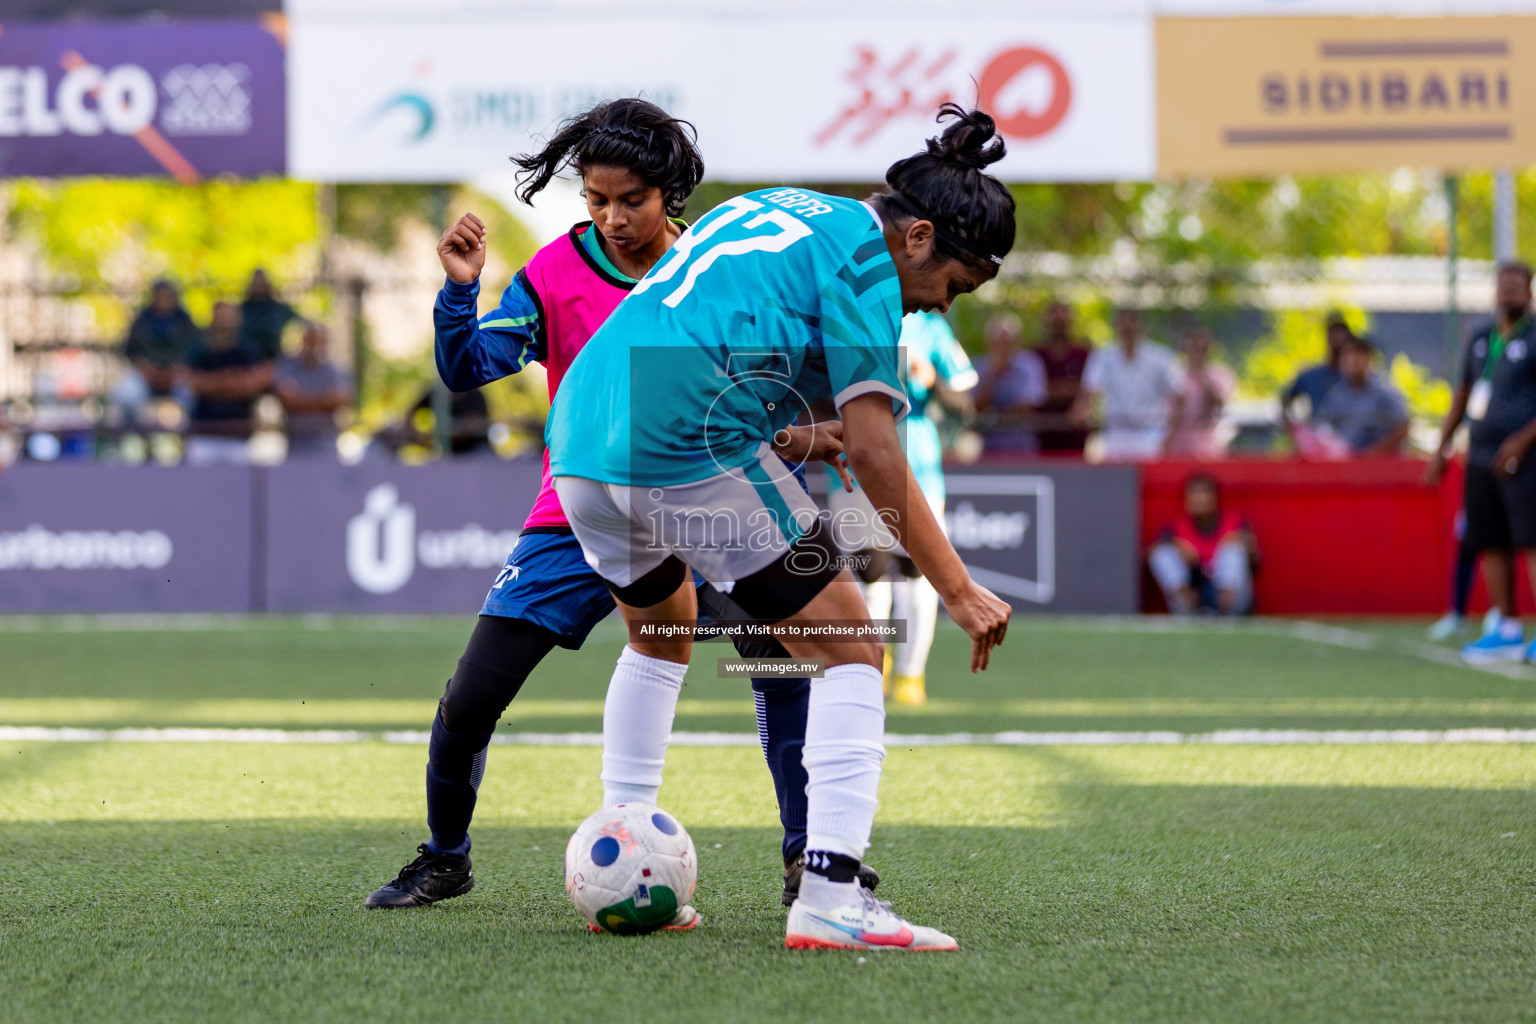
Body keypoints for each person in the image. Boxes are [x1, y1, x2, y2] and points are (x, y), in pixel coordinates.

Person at [363, 99, 866, 918]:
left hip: (708, 496)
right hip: (582, 509)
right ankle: (445, 857)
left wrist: (805, 432)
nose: (612, 217)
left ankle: (803, 855)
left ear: (667, 191)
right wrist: (460, 294)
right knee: (471, 698)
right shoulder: (556, 273)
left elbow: (748, 397)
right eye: (595, 200)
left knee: (781, 657)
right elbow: (469, 369)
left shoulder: (717, 265)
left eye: (629, 199)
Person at [546, 104, 1015, 952]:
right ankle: (831, 892)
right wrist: (958, 587)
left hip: (580, 437)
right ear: (916, 239)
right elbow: (877, 456)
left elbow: (700, 336)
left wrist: (793, 434)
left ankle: (626, 848)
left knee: (662, 632)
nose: (940, 309)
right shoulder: (870, 269)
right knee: (852, 647)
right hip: (678, 445)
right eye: (954, 286)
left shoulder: (784, 207)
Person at [829, 310, 978, 707]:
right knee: (868, 570)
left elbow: (965, 403)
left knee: (916, 571)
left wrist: (930, 378)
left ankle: (911, 674)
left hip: (918, 467)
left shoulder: (930, 327)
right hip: (854, 465)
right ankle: (871, 665)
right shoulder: (845, 316)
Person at [1429, 262, 1535, 663]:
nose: (1509, 293)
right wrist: (1442, 447)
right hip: (1480, 455)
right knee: (1490, 540)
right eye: (1503, 285)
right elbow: (1463, 395)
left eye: (1517, 286)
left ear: (1529, 292)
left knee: (1531, 540)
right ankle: (1506, 628)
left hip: (1525, 456)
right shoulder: (1479, 336)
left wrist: (1523, 440)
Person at [1072, 308, 1182, 461]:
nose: (1128, 327)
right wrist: (1082, 409)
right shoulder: (1103, 356)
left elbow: (1179, 396)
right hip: (1115, 434)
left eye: (1133, 322)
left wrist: (1170, 435)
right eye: (1123, 323)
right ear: (1115, 327)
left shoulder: (1160, 356)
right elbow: (1090, 392)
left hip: (1150, 434)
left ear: (1143, 326)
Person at [1148, 473, 1258, 615]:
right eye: (1193, 494)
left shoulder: (1234, 521)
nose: (1199, 499)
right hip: (1195, 592)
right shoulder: (1177, 525)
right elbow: (1150, 553)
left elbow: (1256, 563)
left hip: (1230, 596)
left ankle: (1227, 611)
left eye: (1204, 493)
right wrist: (1176, 547)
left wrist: (1242, 544)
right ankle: (1186, 609)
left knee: (1233, 552)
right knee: (1163, 554)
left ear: (1214, 497)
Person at [184, 302, 272, 465]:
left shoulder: (249, 350)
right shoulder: (198, 350)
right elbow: (192, 383)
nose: (224, 322)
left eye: (229, 317)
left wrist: (213, 383)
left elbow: (254, 383)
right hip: (204, 434)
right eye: (221, 317)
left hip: (239, 435)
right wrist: (231, 381)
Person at [1311, 335, 1409, 455]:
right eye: (1349, 354)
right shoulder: (1336, 395)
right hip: (1345, 463)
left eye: (1360, 354)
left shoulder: (1385, 393)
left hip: (1378, 464)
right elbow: (1324, 428)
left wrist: (1375, 452)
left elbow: (1404, 427)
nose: (1354, 359)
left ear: (1370, 358)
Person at [274, 323, 352, 460]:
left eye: (320, 340)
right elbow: (286, 398)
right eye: (311, 340)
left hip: (326, 447)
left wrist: (299, 399)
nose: (315, 345)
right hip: (295, 446)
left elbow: (340, 399)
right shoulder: (288, 367)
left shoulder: (335, 370)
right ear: (303, 341)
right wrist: (323, 400)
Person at [971, 312, 1045, 452]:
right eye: (998, 342)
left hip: (1023, 447)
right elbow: (975, 408)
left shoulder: (1030, 364)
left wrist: (992, 417)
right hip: (988, 449)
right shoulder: (979, 366)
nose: (1003, 348)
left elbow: (1028, 407)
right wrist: (993, 374)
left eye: (1008, 342)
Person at [122, 280, 200, 405]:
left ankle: (190, 424)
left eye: (167, 295)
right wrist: (145, 367)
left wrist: (178, 368)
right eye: (160, 295)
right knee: (127, 396)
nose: (164, 299)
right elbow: (129, 350)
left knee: (189, 397)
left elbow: (195, 349)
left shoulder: (185, 320)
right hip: (145, 374)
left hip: (177, 374)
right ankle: (133, 425)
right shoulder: (142, 320)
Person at [1164, 325, 1235, 458]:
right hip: (1178, 444)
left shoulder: (1220, 374)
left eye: (1201, 344)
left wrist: (1201, 373)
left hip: (1207, 444)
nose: (1197, 348)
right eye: (1192, 344)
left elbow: (1219, 404)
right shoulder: (1174, 374)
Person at [1034, 299, 1092, 453]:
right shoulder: (1035, 355)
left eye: (1063, 315)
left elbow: (1089, 390)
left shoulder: (1084, 354)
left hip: (1075, 435)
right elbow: (1034, 392)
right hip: (1042, 434)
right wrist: (1067, 389)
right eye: (1054, 315)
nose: (1059, 320)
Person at [1280, 313, 1352, 429]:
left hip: (1348, 438)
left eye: (1340, 335)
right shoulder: (1311, 376)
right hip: (1318, 435)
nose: (1337, 339)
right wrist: (1294, 429)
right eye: (1333, 334)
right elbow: (1286, 399)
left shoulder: (1354, 378)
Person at [239, 269, 299, 360]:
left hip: (275, 359)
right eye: (256, 283)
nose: (259, 286)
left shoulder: (279, 309)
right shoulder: (241, 309)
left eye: (262, 282)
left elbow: (299, 323)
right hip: (246, 360)